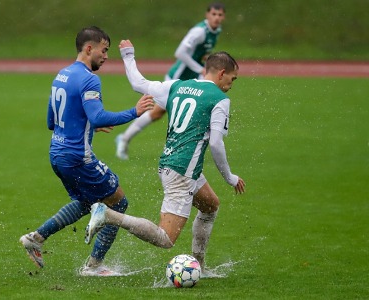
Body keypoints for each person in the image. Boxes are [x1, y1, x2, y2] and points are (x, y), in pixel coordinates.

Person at [84, 39, 245, 276]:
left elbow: (138, 83)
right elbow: (216, 143)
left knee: (210, 205)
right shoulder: (220, 99)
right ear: (222, 73)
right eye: (232, 79)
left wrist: (128, 55)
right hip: (182, 172)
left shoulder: (177, 86)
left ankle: (199, 265)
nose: (231, 85)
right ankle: (108, 215)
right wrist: (230, 177)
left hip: (175, 165)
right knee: (165, 238)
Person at [19, 27, 154, 276]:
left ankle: (36, 238)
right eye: (104, 50)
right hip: (77, 157)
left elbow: (52, 121)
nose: (106, 56)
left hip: (57, 155)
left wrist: (88, 123)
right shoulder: (90, 79)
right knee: (118, 203)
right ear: (89, 48)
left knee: (85, 202)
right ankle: (94, 266)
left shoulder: (62, 74)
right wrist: (134, 112)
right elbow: (98, 115)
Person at [115, 2, 226, 160]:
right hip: (176, 79)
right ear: (207, 15)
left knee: (160, 113)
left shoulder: (216, 31)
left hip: (191, 80)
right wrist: (200, 68)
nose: (217, 18)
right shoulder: (199, 31)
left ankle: (126, 138)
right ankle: (125, 139)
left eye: (220, 15)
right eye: (214, 14)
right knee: (157, 112)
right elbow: (180, 52)